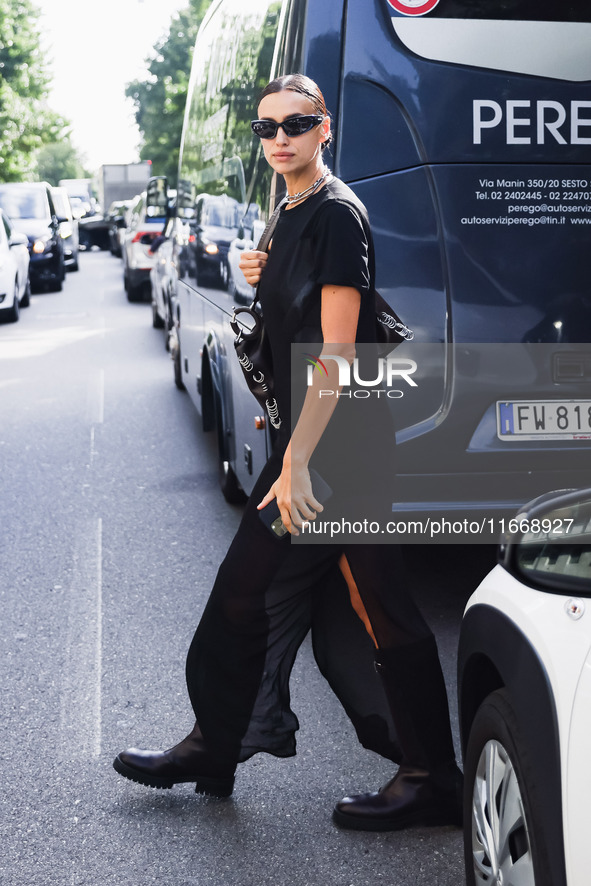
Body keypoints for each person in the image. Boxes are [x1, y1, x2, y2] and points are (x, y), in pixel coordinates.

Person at [114, 73, 462, 832]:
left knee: (376, 607)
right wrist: (262, 272)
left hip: (342, 445)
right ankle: (219, 741)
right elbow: (298, 314)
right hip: (312, 442)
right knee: (250, 592)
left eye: (295, 125)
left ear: (324, 128)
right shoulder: (292, 206)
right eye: (266, 128)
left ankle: (429, 776)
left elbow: (337, 352)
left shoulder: (336, 213)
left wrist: (298, 462)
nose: (279, 139)